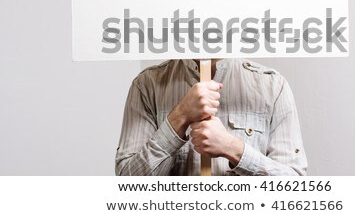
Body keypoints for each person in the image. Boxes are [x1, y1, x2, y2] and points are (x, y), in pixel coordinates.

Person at [115, 58, 307, 175]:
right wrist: (179, 117)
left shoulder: (272, 85)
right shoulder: (147, 85)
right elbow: (127, 185)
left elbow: (295, 187)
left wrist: (233, 149)